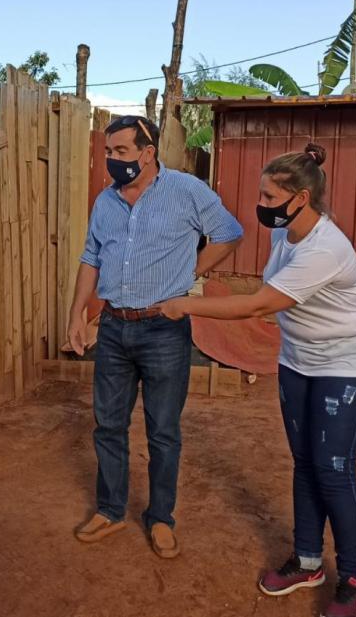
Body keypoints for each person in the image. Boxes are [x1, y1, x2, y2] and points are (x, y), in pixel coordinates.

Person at [159, 143, 356, 617]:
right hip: (299, 361)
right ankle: (307, 561)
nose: (259, 206)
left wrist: (186, 304)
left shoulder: (327, 248)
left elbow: (262, 304)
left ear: (301, 198)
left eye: (267, 198)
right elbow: (267, 293)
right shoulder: (286, 235)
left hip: (348, 366)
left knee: (334, 469)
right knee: (305, 462)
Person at [68, 115, 243, 559]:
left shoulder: (187, 191)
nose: (112, 160)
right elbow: (91, 258)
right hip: (112, 327)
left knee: (163, 431)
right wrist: (76, 314)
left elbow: (228, 233)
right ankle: (110, 509)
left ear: (148, 153)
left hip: (164, 330)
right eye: (109, 152)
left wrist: (191, 272)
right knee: (108, 425)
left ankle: (161, 517)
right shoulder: (105, 202)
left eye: (121, 152)